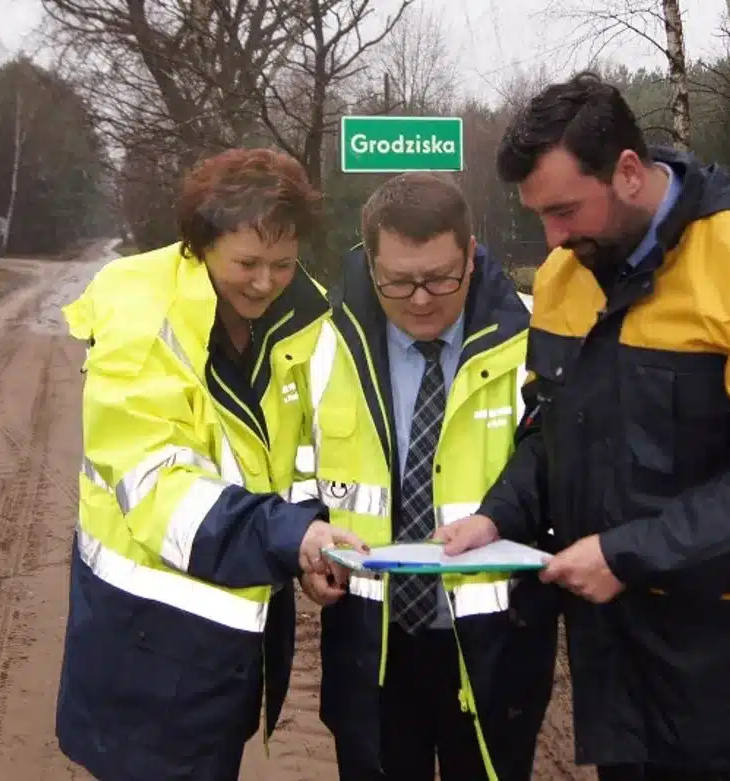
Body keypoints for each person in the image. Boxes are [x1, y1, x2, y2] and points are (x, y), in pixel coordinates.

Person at [437, 71, 730, 781]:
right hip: (616, 665)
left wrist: (628, 554)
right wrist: (498, 515)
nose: (553, 237)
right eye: (540, 216)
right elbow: (548, 431)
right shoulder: (563, 280)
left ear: (628, 171)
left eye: (566, 210)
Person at [55, 147, 368, 781]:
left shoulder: (303, 318)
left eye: (283, 263)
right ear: (200, 245)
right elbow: (157, 489)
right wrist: (288, 536)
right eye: (247, 263)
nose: (265, 281)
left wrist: (310, 539)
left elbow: (299, 455)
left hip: (226, 654)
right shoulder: (142, 320)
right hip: (144, 648)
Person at [292, 172, 558, 781]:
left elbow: (555, 452)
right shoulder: (323, 342)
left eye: (441, 278)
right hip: (369, 641)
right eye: (398, 281)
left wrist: (498, 517)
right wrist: (307, 546)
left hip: (498, 638)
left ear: (471, 253)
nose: (420, 299)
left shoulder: (536, 334)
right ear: (369, 260)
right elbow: (295, 469)